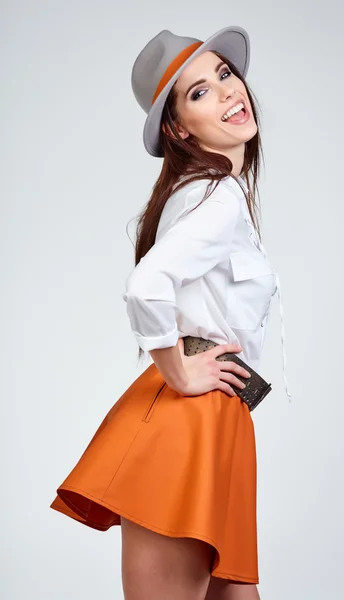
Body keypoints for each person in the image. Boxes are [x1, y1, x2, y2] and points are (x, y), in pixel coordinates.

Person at [49, 25, 292, 600]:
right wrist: (180, 371)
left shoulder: (209, 192)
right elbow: (147, 284)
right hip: (193, 423)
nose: (229, 92)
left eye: (225, 75)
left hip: (221, 424)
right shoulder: (215, 196)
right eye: (200, 91)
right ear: (178, 127)